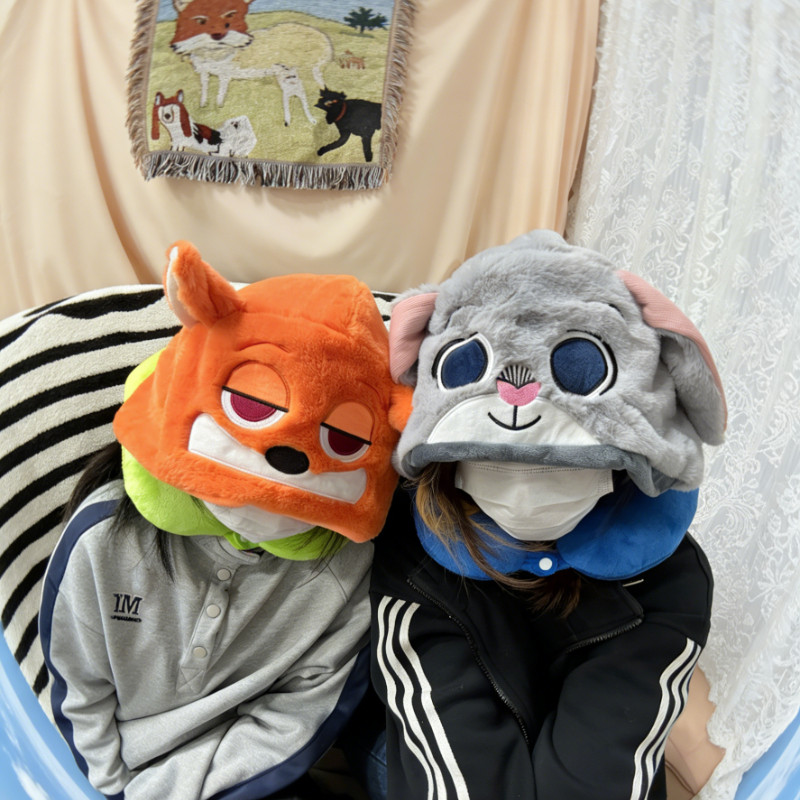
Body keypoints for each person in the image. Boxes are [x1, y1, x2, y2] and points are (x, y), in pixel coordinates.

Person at [39, 241, 411, 800]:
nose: (287, 460)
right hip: (98, 780)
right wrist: (112, 791)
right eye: (255, 404)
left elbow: (297, 715)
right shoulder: (104, 537)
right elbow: (75, 689)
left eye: (344, 437)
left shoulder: (347, 566)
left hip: (245, 783)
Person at [369, 230, 727, 799]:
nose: (527, 483)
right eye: (492, 461)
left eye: (564, 462)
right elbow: (444, 739)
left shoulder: (669, 577)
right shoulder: (414, 556)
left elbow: (611, 748)